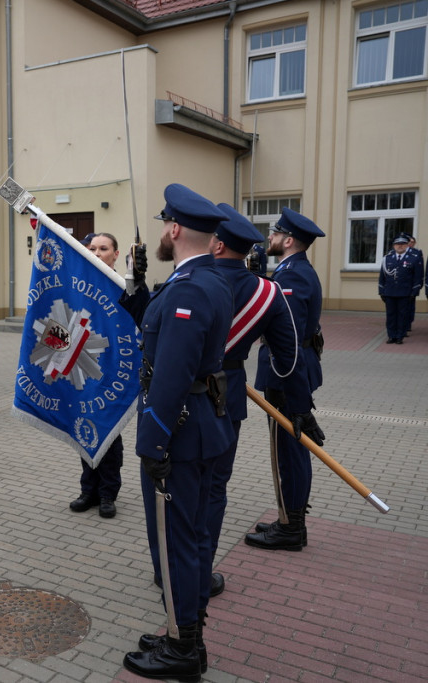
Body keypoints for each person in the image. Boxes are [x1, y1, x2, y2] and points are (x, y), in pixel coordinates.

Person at [123, 184, 234, 681]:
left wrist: (151, 442)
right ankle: (180, 628)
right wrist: (136, 281)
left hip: (179, 434)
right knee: (187, 540)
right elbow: (156, 326)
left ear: (173, 229)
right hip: (197, 429)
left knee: (176, 544)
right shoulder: (201, 279)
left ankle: (184, 647)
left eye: (163, 223)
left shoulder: (190, 288)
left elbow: (169, 377)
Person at [205, 205, 298, 595]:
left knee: (176, 488)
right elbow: (288, 359)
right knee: (214, 490)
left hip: (180, 394)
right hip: (231, 395)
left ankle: (170, 570)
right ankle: (201, 572)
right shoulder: (268, 291)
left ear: (217, 242)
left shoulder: (191, 278)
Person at [246, 207, 327, 551]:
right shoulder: (290, 271)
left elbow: (287, 341)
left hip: (285, 375)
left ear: (289, 240)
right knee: (289, 451)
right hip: (290, 373)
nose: (270, 238)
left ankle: (292, 528)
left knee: (289, 454)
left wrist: (296, 398)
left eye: (275, 234)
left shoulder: (292, 276)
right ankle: (287, 519)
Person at [67, 233, 148, 518]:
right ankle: (88, 489)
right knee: (84, 428)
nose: (97, 253)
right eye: (92, 249)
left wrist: (136, 277)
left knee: (108, 431)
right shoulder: (77, 286)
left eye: (104, 249)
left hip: (114, 373)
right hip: (83, 369)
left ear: (115, 255)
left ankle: (107, 493)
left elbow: (141, 316)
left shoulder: (121, 287)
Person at [379, 235, 422, 344]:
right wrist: (381, 291)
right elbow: (382, 277)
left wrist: (414, 292)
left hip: (405, 293)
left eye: (403, 244)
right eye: (398, 244)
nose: (400, 246)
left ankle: (400, 336)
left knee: (402, 316)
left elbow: (417, 277)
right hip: (389, 292)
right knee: (391, 316)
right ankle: (391, 336)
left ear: (407, 245)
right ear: (394, 246)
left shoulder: (414, 258)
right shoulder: (387, 258)